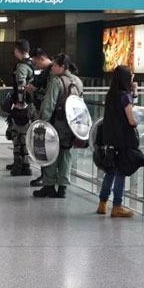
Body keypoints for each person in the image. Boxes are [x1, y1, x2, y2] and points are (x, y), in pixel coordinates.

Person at [33, 54, 83, 199]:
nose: (52, 67)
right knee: (66, 154)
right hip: (71, 125)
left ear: (63, 67)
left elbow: (49, 104)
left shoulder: (56, 81)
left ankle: (49, 185)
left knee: (50, 153)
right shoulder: (78, 81)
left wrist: (42, 123)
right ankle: (63, 187)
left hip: (55, 123)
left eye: (55, 65)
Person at [97, 65, 138, 218]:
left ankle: (102, 203)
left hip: (109, 138)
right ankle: (117, 206)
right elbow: (131, 119)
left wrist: (133, 93)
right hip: (122, 140)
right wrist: (135, 122)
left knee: (110, 171)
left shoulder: (111, 95)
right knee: (120, 172)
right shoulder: (124, 96)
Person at [6, 39, 35, 176]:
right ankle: (25, 164)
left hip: (23, 106)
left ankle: (21, 165)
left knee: (18, 135)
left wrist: (19, 103)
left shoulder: (21, 66)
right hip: (31, 106)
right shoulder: (33, 64)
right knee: (26, 135)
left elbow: (20, 87)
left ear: (18, 51)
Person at [27, 48, 53, 187]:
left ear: (41, 58)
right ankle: (45, 176)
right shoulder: (46, 73)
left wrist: (35, 89)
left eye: (35, 61)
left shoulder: (51, 74)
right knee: (41, 145)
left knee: (45, 145)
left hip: (47, 116)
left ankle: (47, 178)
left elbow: (49, 95)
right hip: (42, 113)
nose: (34, 64)